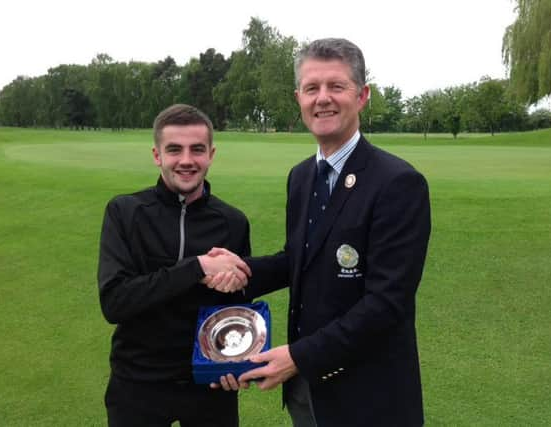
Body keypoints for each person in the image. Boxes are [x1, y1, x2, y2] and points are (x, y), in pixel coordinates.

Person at [211, 38, 431, 426]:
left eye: (336, 86)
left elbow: (387, 303)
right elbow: (302, 258)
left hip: (369, 397)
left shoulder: (398, 182)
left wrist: (297, 357)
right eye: (312, 88)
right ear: (298, 97)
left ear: (362, 96)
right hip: (307, 389)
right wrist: (241, 270)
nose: (322, 99)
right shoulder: (301, 177)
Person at [97, 104, 251, 427]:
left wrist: (236, 364)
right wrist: (196, 267)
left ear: (211, 154)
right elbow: (115, 302)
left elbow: (236, 310)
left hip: (209, 387)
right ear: (157, 155)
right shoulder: (125, 213)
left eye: (197, 149)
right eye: (174, 150)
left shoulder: (233, 223)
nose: (186, 160)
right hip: (138, 384)